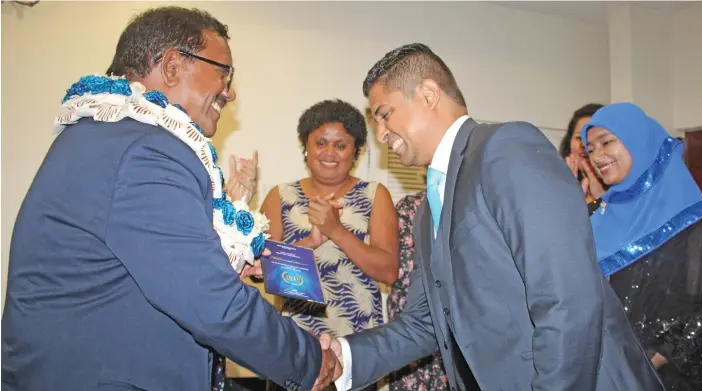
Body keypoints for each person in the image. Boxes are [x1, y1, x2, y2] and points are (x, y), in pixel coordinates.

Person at [1, 7, 339, 391]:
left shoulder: (105, 138)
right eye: (224, 73)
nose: (230, 92)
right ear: (174, 66)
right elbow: (209, 301)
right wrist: (309, 359)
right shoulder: (146, 150)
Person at [320, 42, 664, 391]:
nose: (380, 134)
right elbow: (425, 323)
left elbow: (567, 301)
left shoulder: (506, 148)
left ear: (427, 95)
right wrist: (343, 356)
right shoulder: (427, 211)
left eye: (384, 114)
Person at [581, 102, 702, 391]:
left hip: (666, 379)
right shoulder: (597, 219)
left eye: (606, 142)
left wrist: (636, 369)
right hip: (605, 371)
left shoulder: (696, 223)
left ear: (637, 140)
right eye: (590, 149)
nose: (597, 156)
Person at [260, 100, 398, 384]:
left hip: (358, 344)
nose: (329, 153)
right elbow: (263, 269)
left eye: (341, 145)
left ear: (355, 151)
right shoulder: (281, 195)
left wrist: (336, 230)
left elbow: (388, 271)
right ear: (306, 147)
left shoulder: (375, 195)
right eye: (320, 142)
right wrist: (311, 240)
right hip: (296, 340)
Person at [387, 190, 449, 391]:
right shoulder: (409, 207)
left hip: (460, 336)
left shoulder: (473, 202)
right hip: (415, 330)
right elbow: (401, 277)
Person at [559, 103, 608, 214]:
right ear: (569, 142)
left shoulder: (622, 187)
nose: (584, 144)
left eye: (592, 138)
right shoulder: (552, 183)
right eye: (579, 138)